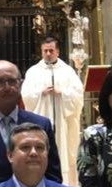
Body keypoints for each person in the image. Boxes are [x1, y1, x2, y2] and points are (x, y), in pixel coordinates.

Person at [22, 36, 85, 176]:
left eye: (51, 50)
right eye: (45, 51)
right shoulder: (33, 71)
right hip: (42, 118)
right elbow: (26, 94)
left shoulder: (68, 71)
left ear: (57, 52)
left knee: (63, 154)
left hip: (63, 122)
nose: (48, 54)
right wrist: (40, 93)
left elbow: (78, 93)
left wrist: (62, 93)